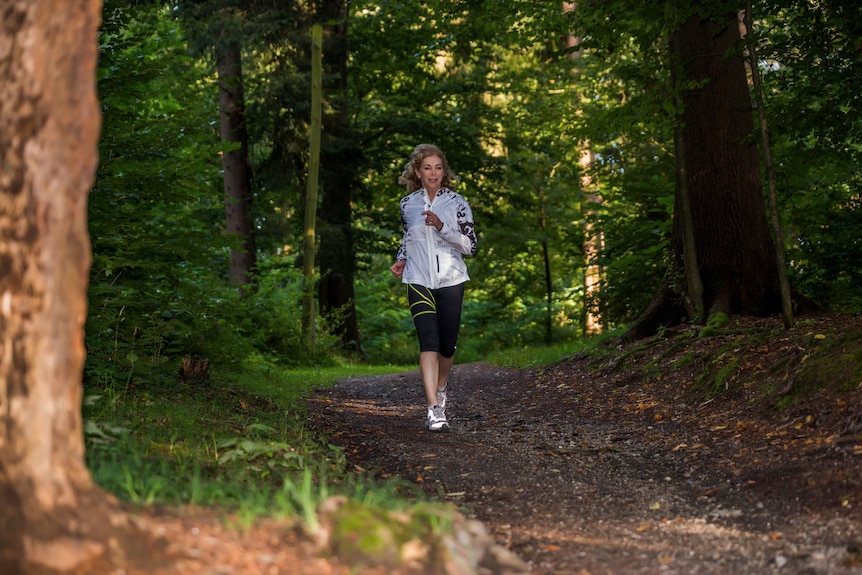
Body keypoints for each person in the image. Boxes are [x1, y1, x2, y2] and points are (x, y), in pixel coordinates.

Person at [390, 144, 478, 432]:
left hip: (451, 279)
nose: (433, 172)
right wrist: (401, 260)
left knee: (447, 345)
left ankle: (441, 388)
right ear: (418, 172)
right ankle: (433, 408)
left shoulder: (457, 203)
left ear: (444, 172)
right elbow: (408, 238)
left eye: (438, 167)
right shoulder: (408, 205)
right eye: (427, 167)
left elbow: (471, 246)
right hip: (417, 279)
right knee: (428, 341)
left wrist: (442, 226)